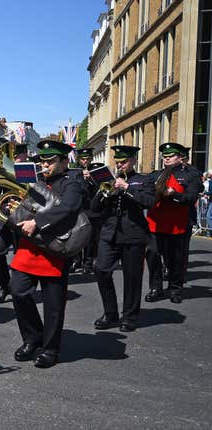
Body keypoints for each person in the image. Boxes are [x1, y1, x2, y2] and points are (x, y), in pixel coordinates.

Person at [9, 140, 83, 368]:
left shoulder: (72, 182)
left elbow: (68, 208)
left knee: (53, 305)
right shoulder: (36, 181)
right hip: (29, 247)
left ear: (63, 162)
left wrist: (38, 222)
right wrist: (15, 209)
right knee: (18, 291)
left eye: (50, 161)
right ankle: (33, 338)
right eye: (42, 160)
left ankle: (50, 349)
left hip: (54, 248)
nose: (45, 165)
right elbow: (28, 205)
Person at [91, 146, 155, 332]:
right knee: (101, 270)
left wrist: (127, 188)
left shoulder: (143, 180)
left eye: (124, 161)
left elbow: (149, 202)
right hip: (109, 233)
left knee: (132, 278)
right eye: (117, 162)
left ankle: (129, 316)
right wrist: (102, 193)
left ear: (134, 160)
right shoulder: (109, 181)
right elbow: (95, 208)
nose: (120, 165)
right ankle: (110, 314)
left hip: (133, 234)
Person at [145, 142, 203, 304]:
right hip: (156, 223)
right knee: (153, 254)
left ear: (180, 157)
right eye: (165, 156)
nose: (167, 159)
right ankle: (156, 287)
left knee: (176, 258)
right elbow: (146, 192)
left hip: (178, 223)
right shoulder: (155, 175)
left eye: (171, 156)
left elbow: (191, 198)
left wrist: (174, 193)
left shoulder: (191, 176)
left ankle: (175, 288)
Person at [0, 142, 28, 304]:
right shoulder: (5, 169)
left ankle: (23, 287)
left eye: (20, 156)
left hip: (22, 218)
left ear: (25, 155)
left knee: (22, 255)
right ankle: (5, 285)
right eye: (15, 157)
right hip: (3, 218)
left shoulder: (29, 169)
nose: (18, 159)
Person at [75, 148, 101, 274]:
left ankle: (88, 263)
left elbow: (101, 189)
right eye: (83, 159)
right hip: (79, 210)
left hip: (92, 210)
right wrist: (82, 180)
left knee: (91, 240)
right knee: (78, 238)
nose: (85, 161)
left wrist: (91, 179)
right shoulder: (74, 173)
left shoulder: (96, 171)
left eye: (88, 159)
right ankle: (77, 260)